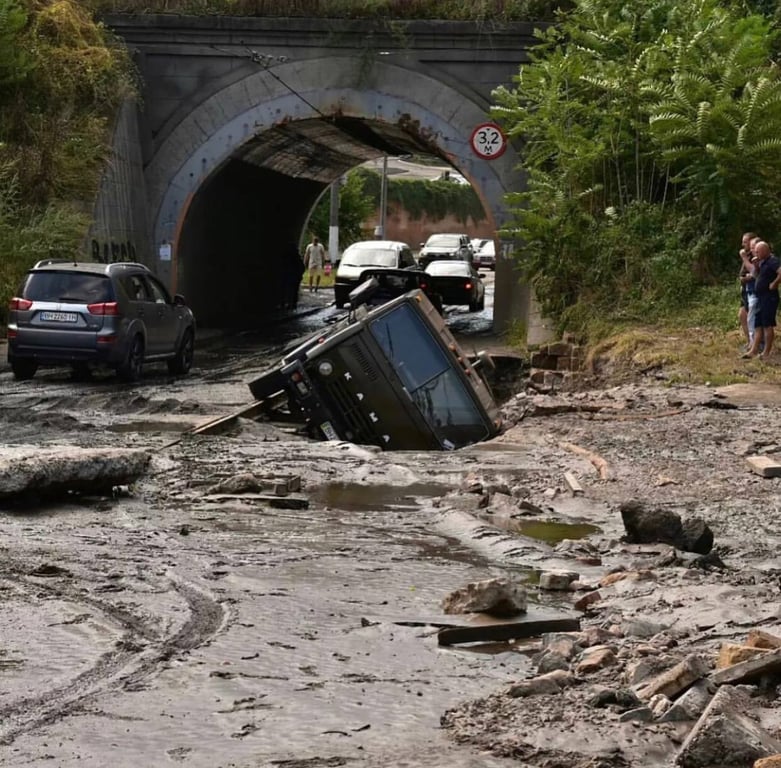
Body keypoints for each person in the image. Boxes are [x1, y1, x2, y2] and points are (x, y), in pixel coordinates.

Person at [743, 240, 781, 360]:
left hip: (769, 297)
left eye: (758, 251)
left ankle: (766, 352)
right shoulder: (762, 262)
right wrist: (756, 265)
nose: (756, 253)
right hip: (761, 297)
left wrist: (775, 283)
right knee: (758, 324)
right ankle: (754, 350)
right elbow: (757, 275)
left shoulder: (772, 261)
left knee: (767, 324)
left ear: (765, 251)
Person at [738, 232, 759, 350]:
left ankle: (755, 344)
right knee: (742, 315)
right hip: (745, 290)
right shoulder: (747, 254)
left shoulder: (755, 256)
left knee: (752, 318)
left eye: (745, 242)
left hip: (753, 290)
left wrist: (744, 258)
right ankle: (750, 342)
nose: (743, 244)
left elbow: (755, 272)